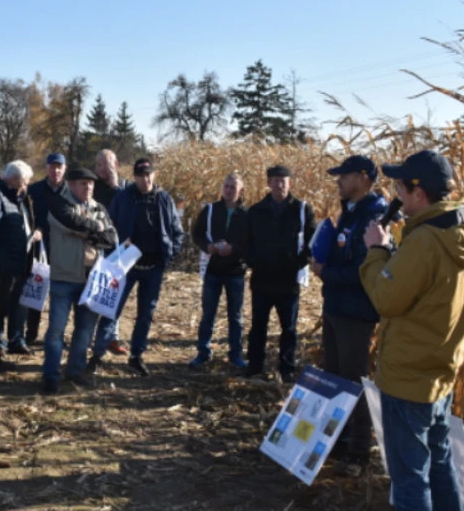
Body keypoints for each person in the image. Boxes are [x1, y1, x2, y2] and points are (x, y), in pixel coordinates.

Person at [358, 150, 464, 511]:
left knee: (410, 477)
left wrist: (376, 252)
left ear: (418, 192)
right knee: (438, 459)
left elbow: (386, 299)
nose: (397, 195)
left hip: (407, 375)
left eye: (401, 188)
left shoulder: (423, 242)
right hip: (444, 369)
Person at [310, 155, 388, 475]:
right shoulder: (349, 212)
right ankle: (337, 439)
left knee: (355, 380)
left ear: (363, 178)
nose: (338, 180)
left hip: (356, 312)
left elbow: (363, 271)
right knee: (335, 376)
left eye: (344, 175)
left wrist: (326, 271)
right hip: (336, 306)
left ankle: (358, 450)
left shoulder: (377, 217)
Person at [87, 158, 184, 377]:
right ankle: (97, 355)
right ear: (135, 177)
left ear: (154, 175)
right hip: (125, 267)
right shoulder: (123, 197)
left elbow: (177, 231)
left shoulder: (163, 199)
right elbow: (109, 227)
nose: (145, 179)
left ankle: (136, 356)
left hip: (153, 267)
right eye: (141, 175)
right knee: (111, 310)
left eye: (149, 174)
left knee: (145, 314)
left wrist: (169, 254)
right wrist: (118, 245)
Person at [42, 167, 116, 394]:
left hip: (90, 279)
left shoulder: (98, 208)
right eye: (83, 183)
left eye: (91, 184)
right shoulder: (58, 205)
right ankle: (51, 375)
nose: (89, 187)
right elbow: (69, 221)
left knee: (84, 330)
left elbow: (111, 237)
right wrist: (95, 230)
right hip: (64, 277)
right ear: (71, 184)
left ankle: (75, 371)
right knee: (56, 329)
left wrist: (88, 233)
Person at [244, 165, 315, 384]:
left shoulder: (302, 210)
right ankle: (255, 366)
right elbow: (246, 242)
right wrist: (254, 262)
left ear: (290, 183)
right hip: (262, 279)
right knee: (258, 326)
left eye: (283, 180)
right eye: (274, 180)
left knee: (289, 329)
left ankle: (286, 368)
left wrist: (296, 264)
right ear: (268, 183)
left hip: (287, 281)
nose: (279, 184)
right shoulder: (256, 211)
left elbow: (312, 242)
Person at [0, 160, 39, 370]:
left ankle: (13, 342)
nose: (27, 184)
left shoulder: (17, 198)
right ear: (14, 180)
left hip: (18, 265)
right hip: (2, 269)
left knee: (14, 307)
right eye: (26, 181)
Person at [189, 172, 250, 369]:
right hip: (213, 270)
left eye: (233, 187)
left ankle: (235, 354)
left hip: (235, 272)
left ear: (240, 190)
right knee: (208, 314)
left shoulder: (246, 215)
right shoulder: (210, 210)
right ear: (222, 189)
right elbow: (197, 234)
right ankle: (203, 352)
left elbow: (251, 241)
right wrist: (208, 247)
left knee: (236, 316)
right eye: (227, 186)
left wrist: (234, 249)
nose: (229, 190)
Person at [24, 153, 67, 345]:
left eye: (59, 167)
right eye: (52, 166)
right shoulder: (34, 190)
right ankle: (31, 332)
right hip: (39, 249)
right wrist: (35, 231)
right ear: (47, 168)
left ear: (64, 169)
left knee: (61, 295)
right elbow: (26, 217)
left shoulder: (70, 191)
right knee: (36, 290)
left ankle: (56, 334)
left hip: (64, 250)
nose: (56, 170)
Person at [93, 149, 130, 356]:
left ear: (116, 164)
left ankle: (111, 338)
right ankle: (91, 337)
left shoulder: (126, 188)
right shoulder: (93, 188)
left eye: (106, 165)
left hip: (119, 250)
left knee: (115, 294)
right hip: (97, 248)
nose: (102, 170)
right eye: (99, 165)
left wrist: (115, 183)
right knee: (96, 293)